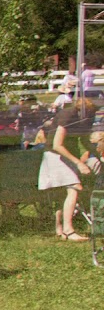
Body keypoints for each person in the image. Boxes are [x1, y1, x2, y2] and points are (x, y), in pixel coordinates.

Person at [37, 97, 98, 241]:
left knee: (62, 195)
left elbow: (84, 140)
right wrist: (79, 163)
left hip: (68, 155)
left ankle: (60, 229)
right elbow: (57, 144)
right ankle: (69, 231)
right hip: (55, 156)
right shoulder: (68, 115)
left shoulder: (88, 117)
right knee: (74, 188)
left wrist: (98, 156)